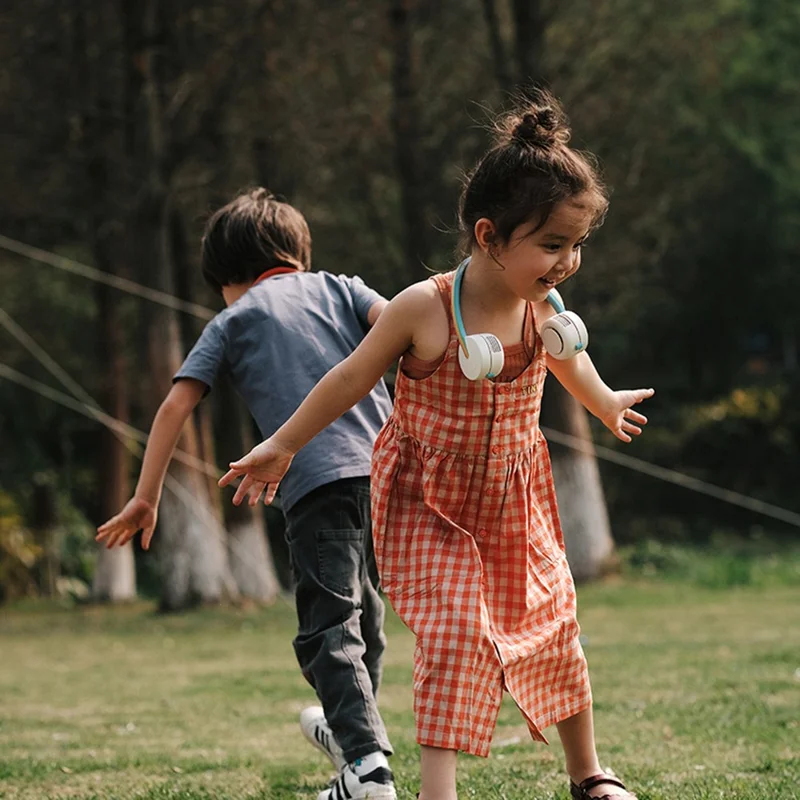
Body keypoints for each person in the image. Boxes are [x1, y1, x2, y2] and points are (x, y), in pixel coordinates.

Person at [219, 91, 653, 800]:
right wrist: (284, 442)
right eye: (551, 245)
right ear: (489, 235)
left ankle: (589, 775)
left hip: (515, 495)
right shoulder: (423, 307)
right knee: (453, 633)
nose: (567, 261)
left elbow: (568, 359)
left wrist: (602, 402)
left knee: (555, 622)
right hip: (429, 500)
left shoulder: (542, 304)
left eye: (576, 245)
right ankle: (436, 791)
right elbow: (352, 375)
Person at [96, 188, 398, 800]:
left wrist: (145, 496)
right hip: (391, 475)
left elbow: (174, 406)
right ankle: (353, 741)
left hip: (317, 483)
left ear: (229, 276)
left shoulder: (233, 318)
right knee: (365, 618)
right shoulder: (342, 287)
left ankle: (367, 770)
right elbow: (405, 327)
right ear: (297, 254)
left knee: (328, 628)